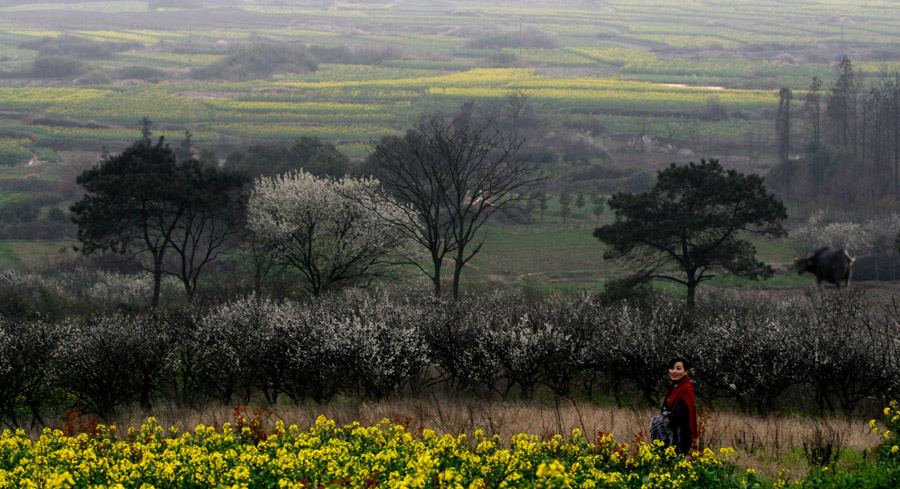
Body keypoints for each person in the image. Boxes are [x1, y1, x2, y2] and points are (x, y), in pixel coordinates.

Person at [652, 357, 697, 455]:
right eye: (672, 368)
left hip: (680, 436)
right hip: (669, 434)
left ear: (686, 371)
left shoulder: (686, 390)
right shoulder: (672, 388)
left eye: (678, 368)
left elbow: (680, 415)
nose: (674, 371)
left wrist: (667, 417)